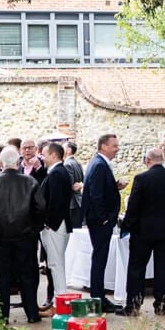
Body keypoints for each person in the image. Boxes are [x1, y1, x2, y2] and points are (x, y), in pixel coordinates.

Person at [0, 145, 47, 324]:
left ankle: (3, 315)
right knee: (27, 276)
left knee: (3, 277)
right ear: (17, 161)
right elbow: (41, 209)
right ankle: (32, 313)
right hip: (25, 237)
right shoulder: (29, 182)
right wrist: (33, 229)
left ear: (1, 162)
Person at [120, 148, 165, 317]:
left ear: (147, 160)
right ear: (162, 159)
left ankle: (134, 304)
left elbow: (133, 206)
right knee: (164, 268)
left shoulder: (141, 178)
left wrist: (126, 226)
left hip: (143, 230)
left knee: (137, 268)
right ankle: (161, 304)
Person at [81, 133, 126, 313]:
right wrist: (104, 218)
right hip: (100, 221)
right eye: (114, 146)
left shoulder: (99, 163)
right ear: (104, 146)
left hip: (100, 220)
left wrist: (115, 186)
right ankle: (97, 298)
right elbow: (95, 194)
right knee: (99, 259)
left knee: (100, 259)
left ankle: (98, 296)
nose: (117, 149)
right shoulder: (99, 165)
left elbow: (99, 189)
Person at [40, 142, 73, 305]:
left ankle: (60, 299)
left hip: (56, 225)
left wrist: (48, 223)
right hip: (58, 224)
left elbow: (56, 202)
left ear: (53, 155)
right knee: (55, 263)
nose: (42, 157)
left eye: (44, 154)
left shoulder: (57, 173)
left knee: (55, 263)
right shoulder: (58, 172)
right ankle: (59, 298)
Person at [63, 141, 84, 228]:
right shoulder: (77, 162)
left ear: (68, 150)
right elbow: (83, 179)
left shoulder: (67, 164)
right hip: (78, 201)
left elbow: (69, 185)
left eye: (63, 147)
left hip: (71, 203)